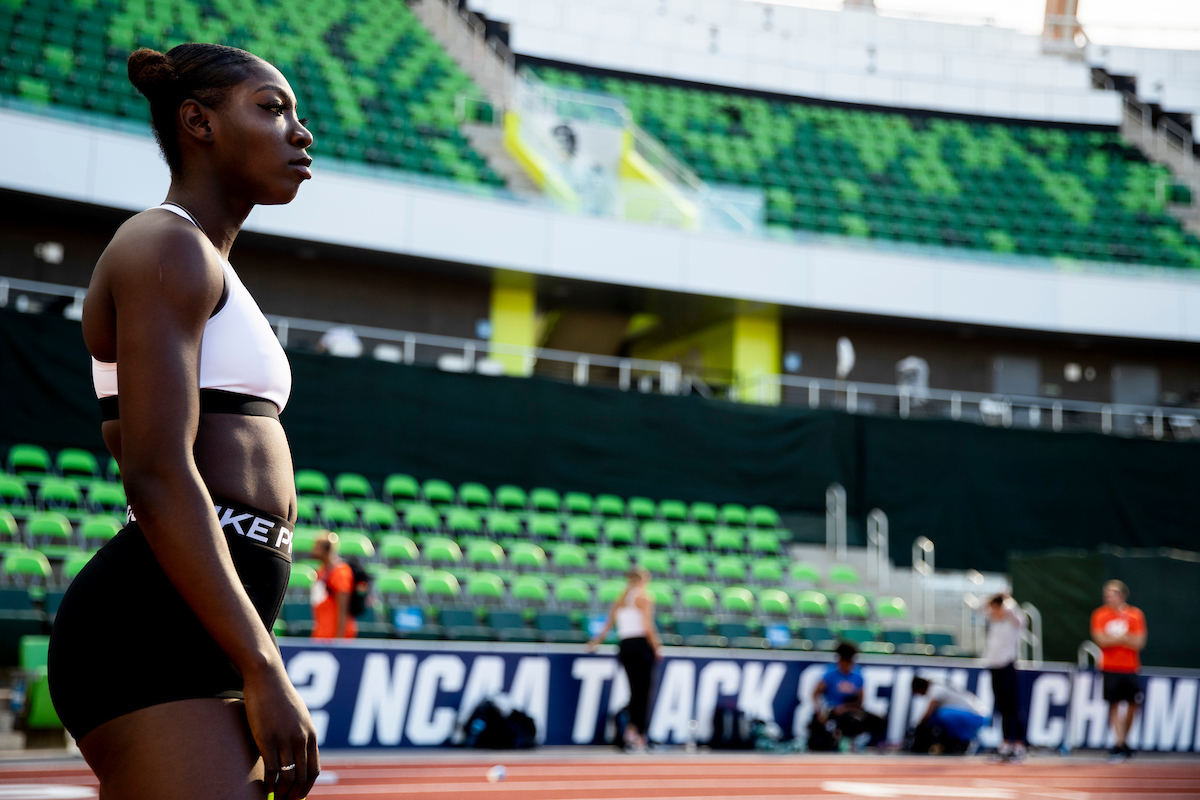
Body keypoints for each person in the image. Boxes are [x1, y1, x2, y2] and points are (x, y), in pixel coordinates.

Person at [47, 44, 318, 800]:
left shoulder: (203, 262)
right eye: (271, 108)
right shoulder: (164, 244)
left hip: (204, 623)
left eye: (297, 114)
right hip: (152, 632)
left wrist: (251, 653)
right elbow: (157, 471)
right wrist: (262, 666)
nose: (301, 132)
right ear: (196, 122)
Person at [587, 567, 663, 752]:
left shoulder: (620, 598)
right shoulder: (644, 597)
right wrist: (657, 647)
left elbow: (608, 624)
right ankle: (640, 735)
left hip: (625, 646)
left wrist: (596, 642)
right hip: (641, 646)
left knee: (634, 691)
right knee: (644, 692)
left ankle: (630, 733)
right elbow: (647, 626)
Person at [1091, 579, 1147, 762]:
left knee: (1132, 704)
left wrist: (1115, 638)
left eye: (1112, 594)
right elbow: (1101, 640)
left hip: (1130, 667)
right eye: (1106, 594)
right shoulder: (1100, 614)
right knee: (1114, 704)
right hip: (1109, 666)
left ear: (1122, 595)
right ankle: (1119, 742)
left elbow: (1139, 642)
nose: (1108, 598)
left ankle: (1124, 740)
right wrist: (1125, 638)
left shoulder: (1135, 615)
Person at [810, 641, 887, 751]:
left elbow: (860, 701)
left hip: (850, 710)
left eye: (849, 661)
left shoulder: (857, 675)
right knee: (851, 720)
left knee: (878, 720)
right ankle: (839, 742)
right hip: (832, 710)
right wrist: (820, 710)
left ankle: (872, 746)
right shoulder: (830, 673)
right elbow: (815, 694)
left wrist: (846, 708)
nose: (847, 664)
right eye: (845, 660)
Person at [983, 592, 1027, 762]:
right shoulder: (994, 621)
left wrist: (1006, 600)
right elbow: (980, 608)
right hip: (994, 668)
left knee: (1013, 707)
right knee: (1002, 707)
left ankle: (1018, 745)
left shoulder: (1013, 622)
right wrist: (994, 597)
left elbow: (1017, 614)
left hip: (1008, 667)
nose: (994, 611)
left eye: (997, 607)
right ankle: (1005, 744)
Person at [910, 676, 990, 755]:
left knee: (942, 714)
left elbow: (930, 710)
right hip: (972, 715)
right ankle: (949, 742)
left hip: (976, 716)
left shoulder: (936, 689)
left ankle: (962, 742)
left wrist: (919, 726)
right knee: (936, 717)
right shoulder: (939, 686)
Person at [312, 531, 357, 639]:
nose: (312, 550)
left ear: (326, 549)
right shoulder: (322, 571)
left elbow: (343, 608)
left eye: (316, 546)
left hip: (334, 636)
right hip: (322, 634)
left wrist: (339, 640)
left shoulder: (340, 572)